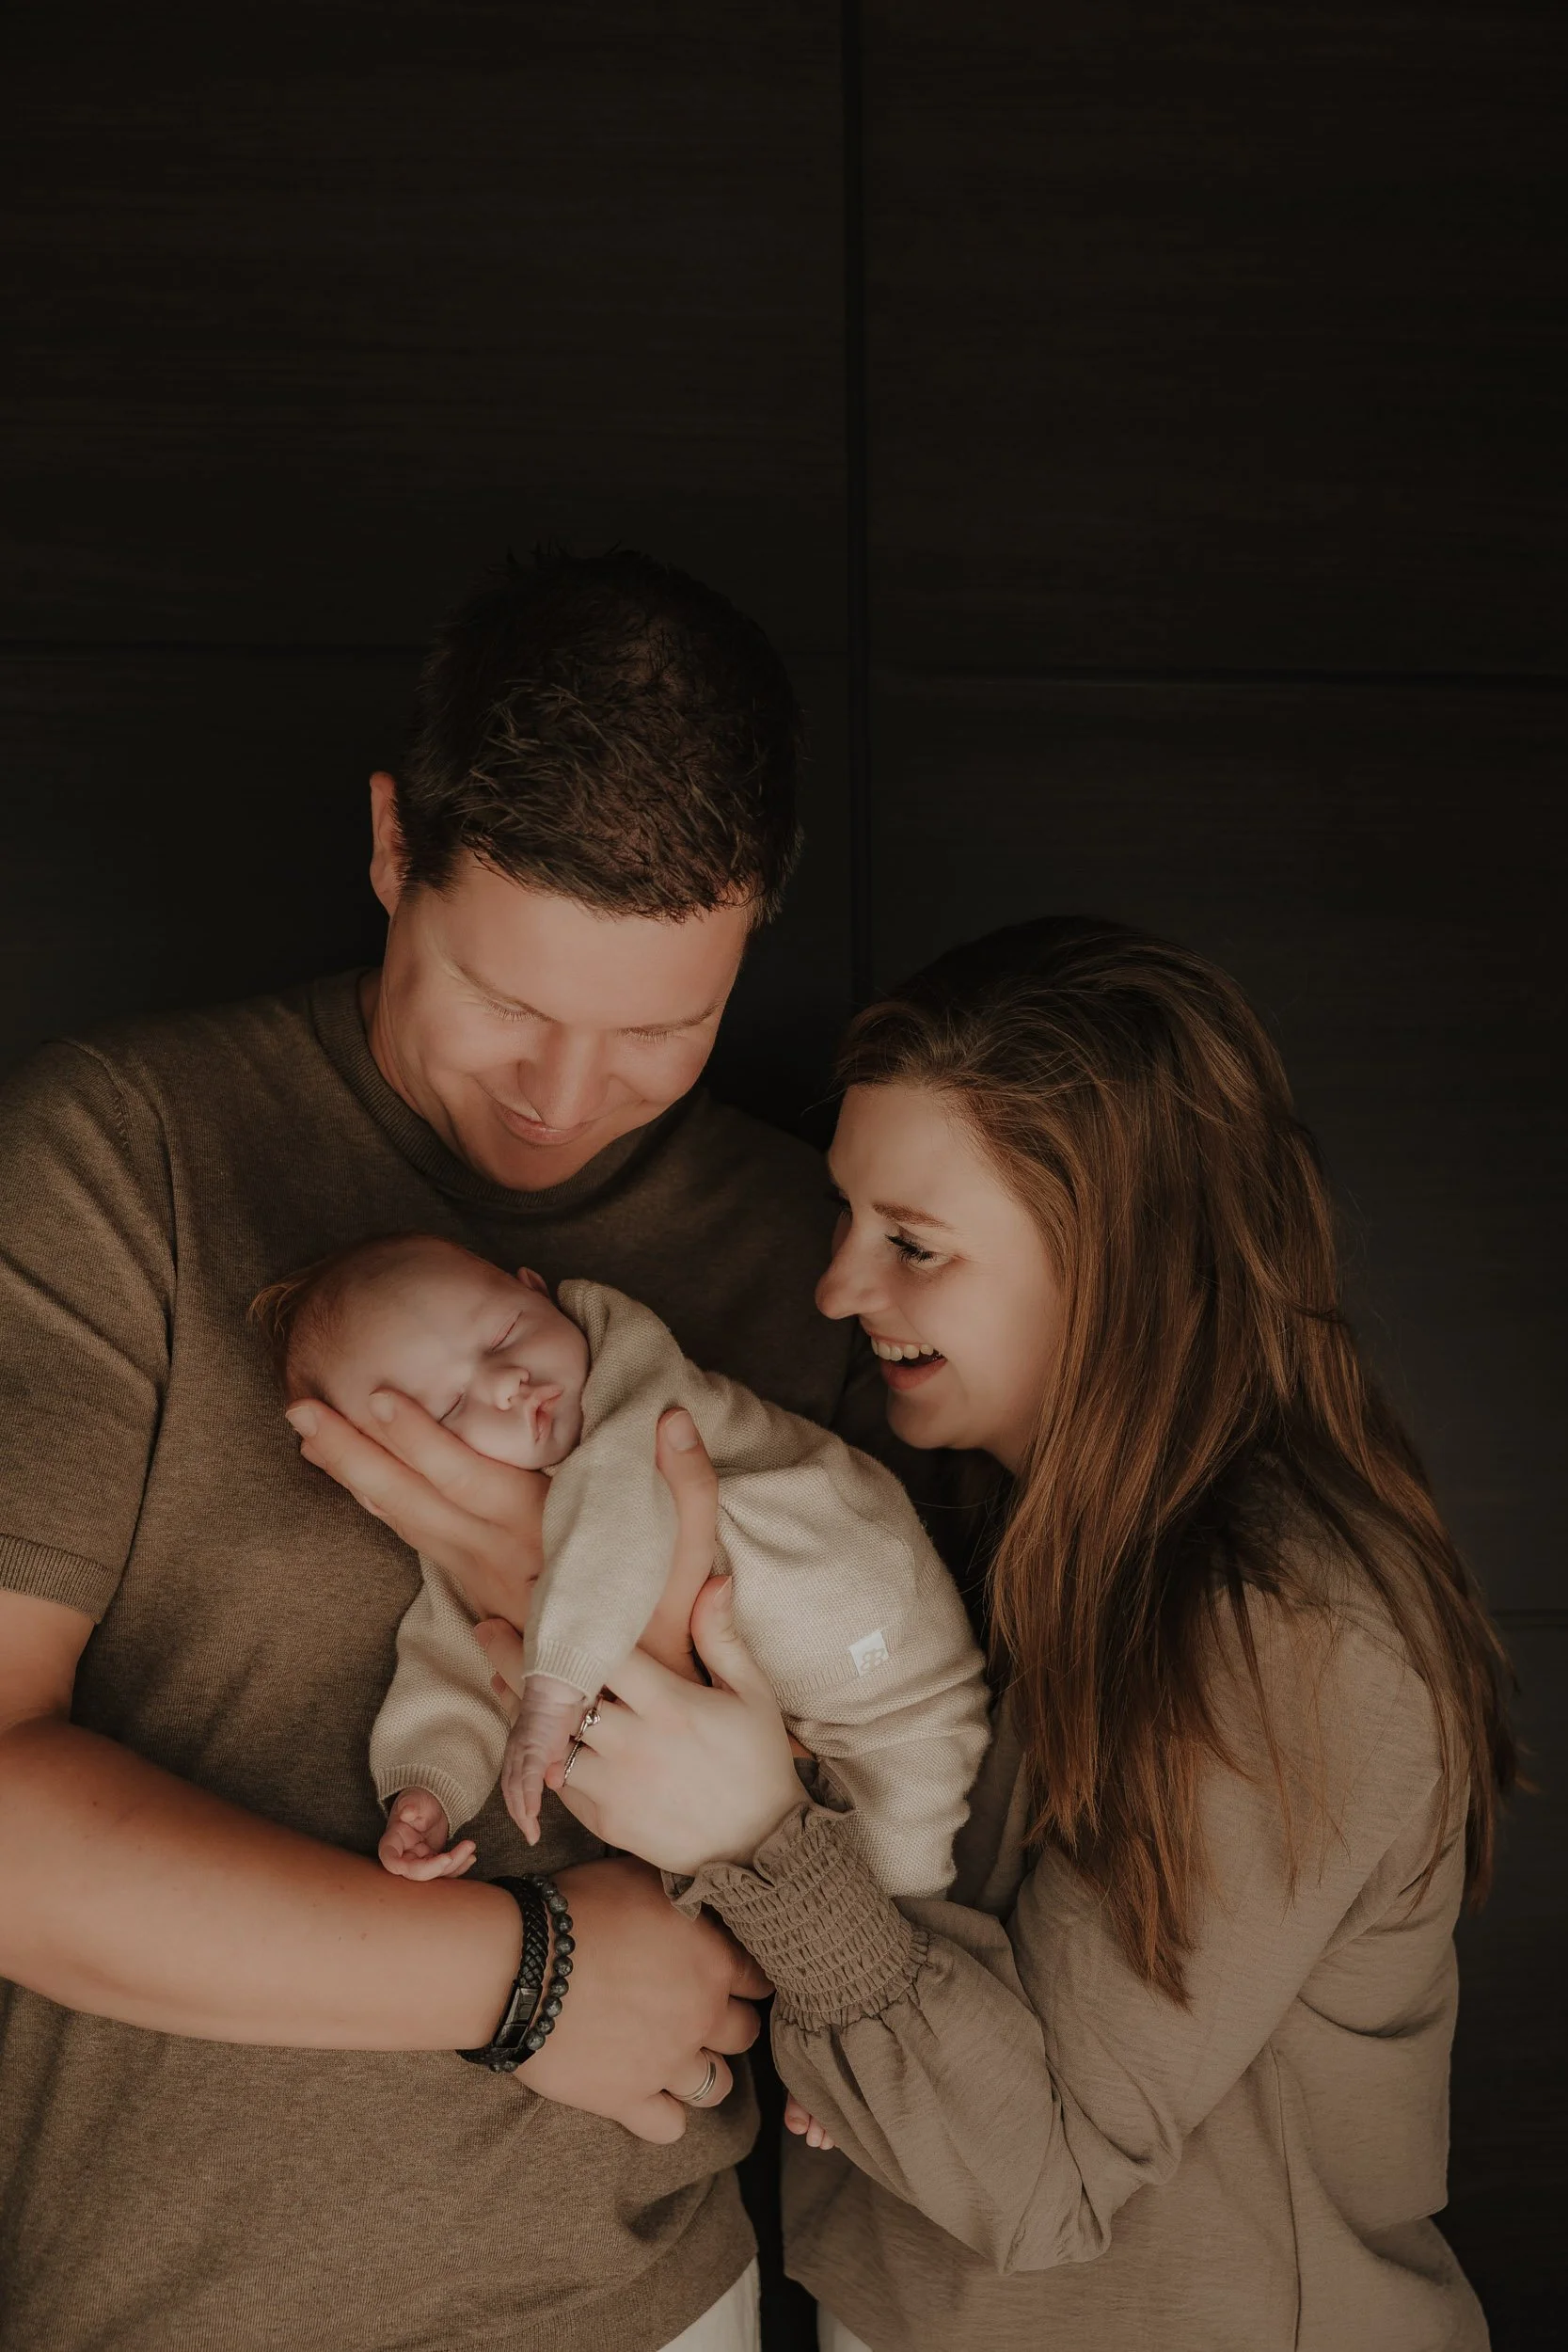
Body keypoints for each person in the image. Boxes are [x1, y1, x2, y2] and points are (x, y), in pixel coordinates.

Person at [0, 548, 884, 2352]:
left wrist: (547, 1591)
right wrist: (526, 1977)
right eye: (505, 1002)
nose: (563, 1098)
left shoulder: (821, 1251)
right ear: (394, 846)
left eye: (660, 1031)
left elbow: (889, 1824)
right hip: (173, 2306)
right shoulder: (123, 1157)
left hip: (650, 2306)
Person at [530, 918, 1516, 2352]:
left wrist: (757, 1839)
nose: (837, 1290)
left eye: (912, 1245)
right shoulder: (1007, 1539)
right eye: (849, 1222)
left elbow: (1039, 2174)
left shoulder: (1284, 1630)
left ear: (1113, 1260)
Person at [248, 1229, 986, 1882]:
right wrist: (427, 1787)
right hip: (796, 1740)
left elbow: (617, 1518)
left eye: (505, 1333)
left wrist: (554, 1688)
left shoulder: (628, 1375)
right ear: (406, 1463)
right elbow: (453, 1660)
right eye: (447, 1411)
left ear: (536, 1291)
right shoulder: (465, 1541)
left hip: (886, 1667)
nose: (506, 1383)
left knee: (908, 1870)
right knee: (829, 1885)